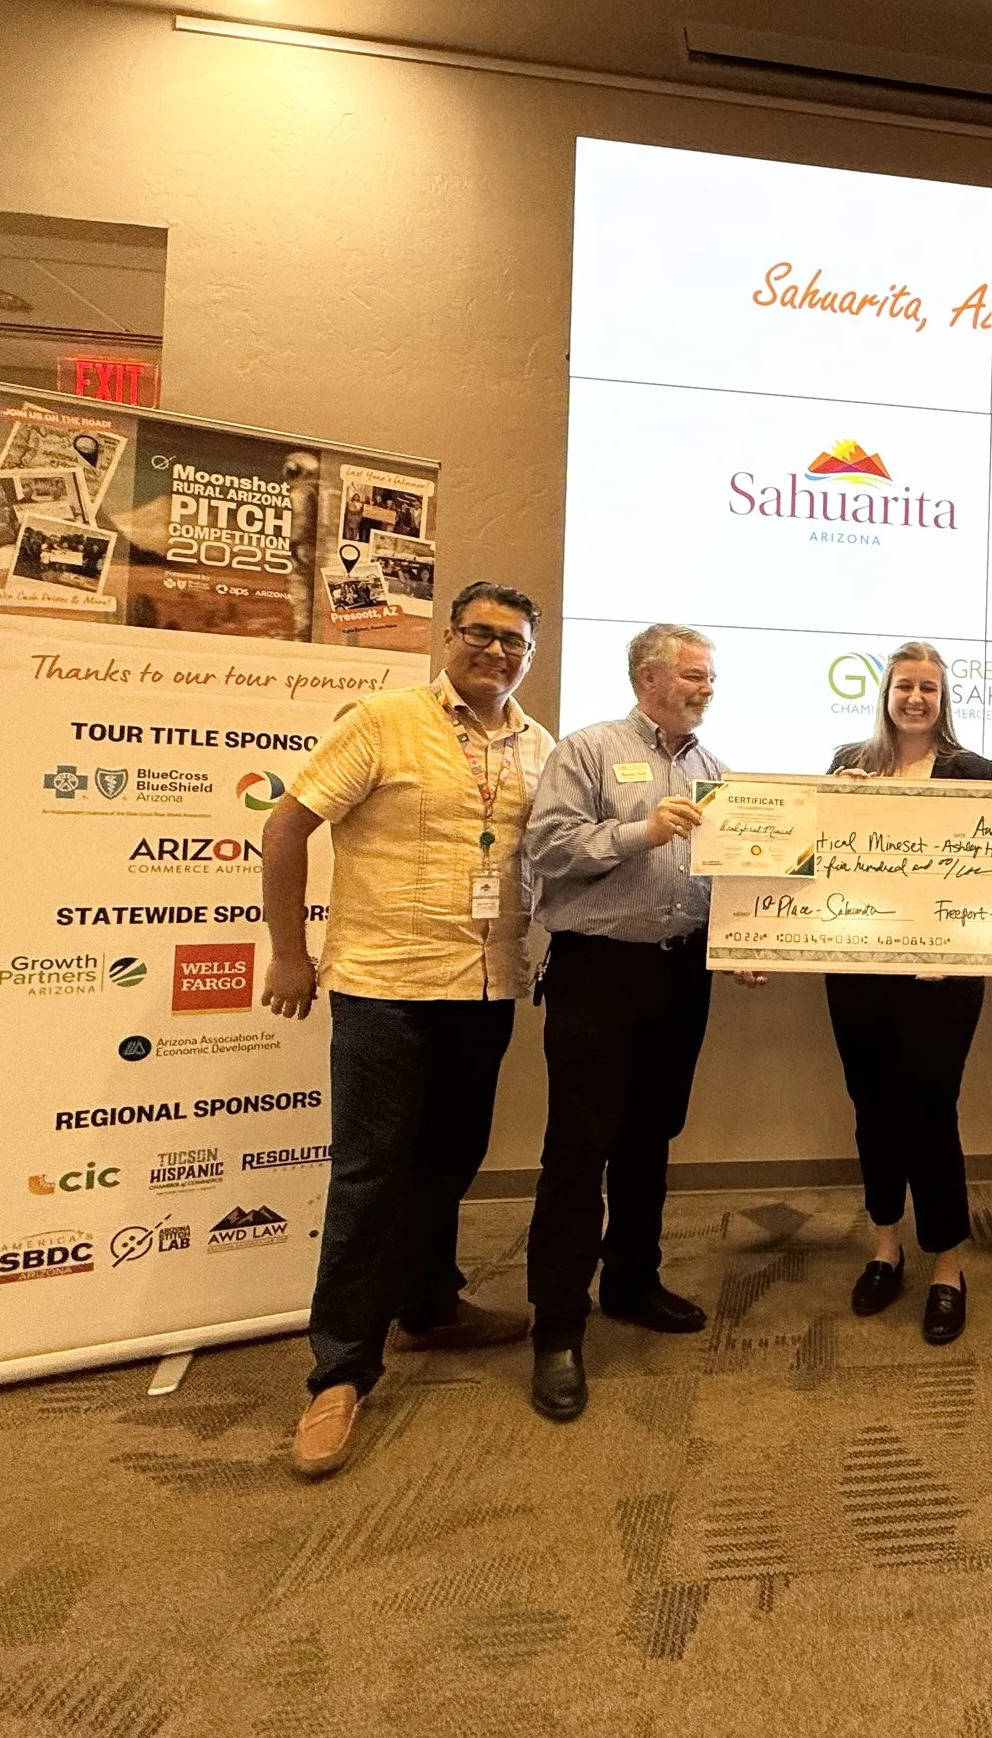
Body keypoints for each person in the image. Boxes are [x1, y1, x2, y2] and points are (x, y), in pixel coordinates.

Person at [260, 581, 555, 1479]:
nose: (496, 653)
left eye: (515, 643)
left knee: (451, 1158)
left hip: (484, 985)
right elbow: (285, 826)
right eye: (481, 634)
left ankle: (430, 1306)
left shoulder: (538, 746)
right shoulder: (383, 720)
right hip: (384, 985)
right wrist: (287, 952)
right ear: (450, 637)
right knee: (370, 1172)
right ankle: (339, 1370)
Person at [522, 622, 757, 1422]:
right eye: (695, 675)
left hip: (679, 973)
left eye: (711, 678)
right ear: (650, 676)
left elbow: (727, 877)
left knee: (651, 1135)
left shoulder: (717, 772)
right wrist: (639, 832)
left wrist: (745, 940)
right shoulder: (587, 750)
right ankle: (557, 1328)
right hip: (599, 971)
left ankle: (631, 1281)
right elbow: (546, 851)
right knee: (578, 1148)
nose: (707, 688)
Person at [825, 643, 992, 1346]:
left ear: (943, 696)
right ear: (885, 693)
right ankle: (885, 1246)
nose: (916, 698)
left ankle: (948, 1265)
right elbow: (818, 859)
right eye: (905, 685)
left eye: (928, 686)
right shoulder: (847, 761)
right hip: (859, 968)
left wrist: (952, 942)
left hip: (943, 975)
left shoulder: (975, 771)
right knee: (871, 1109)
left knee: (929, 1110)